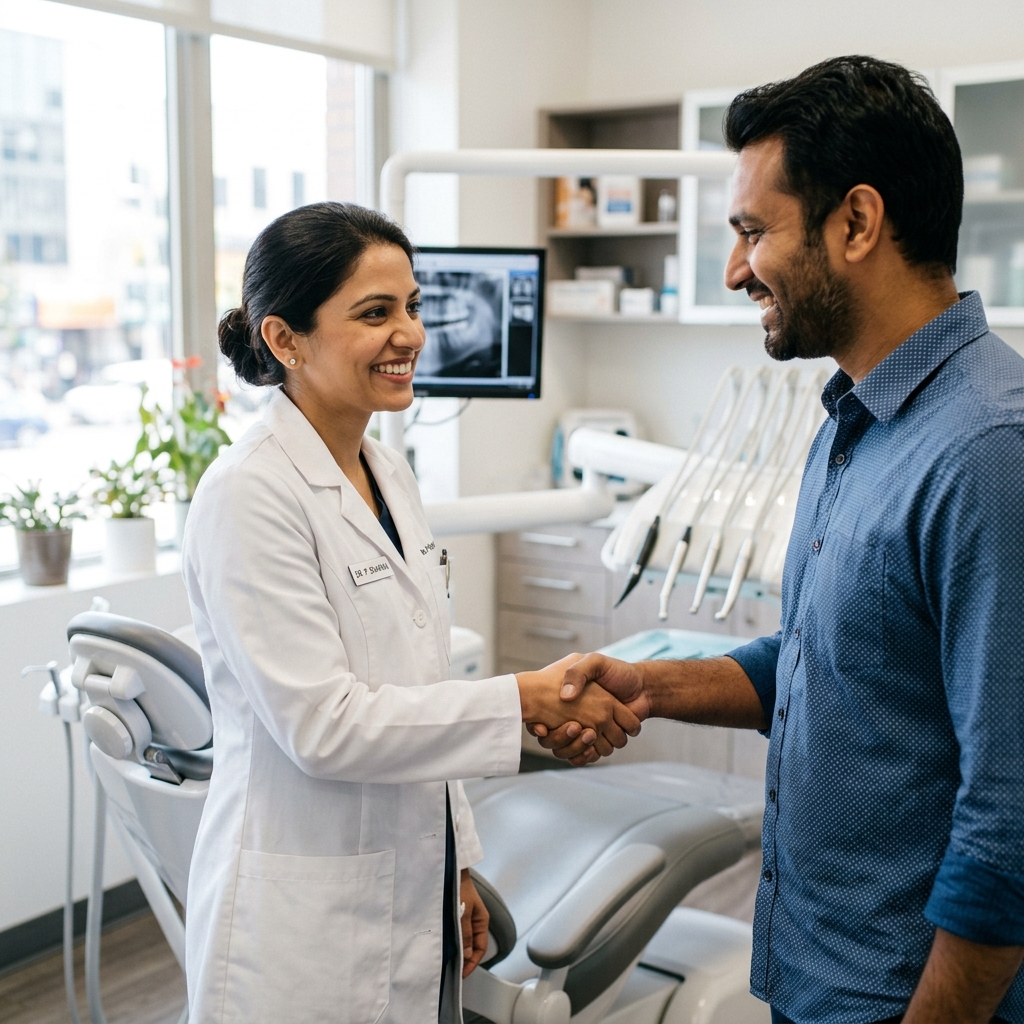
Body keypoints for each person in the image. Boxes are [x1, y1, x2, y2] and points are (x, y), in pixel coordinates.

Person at [534, 57, 1024, 1024]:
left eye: (754, 232)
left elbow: (1009, 823)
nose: (733, 269)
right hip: (813, 974)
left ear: (856, 223)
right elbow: (827, 661)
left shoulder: (987, 454)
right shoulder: (855, 421)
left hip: (899, 998)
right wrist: (653, 687)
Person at [180, 202, 641, 1024]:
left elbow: (418, 687)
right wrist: (522, 699)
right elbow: (323, 726)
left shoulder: (388, 473)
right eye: (374, 313)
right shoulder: (249, 494)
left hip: (409, 885)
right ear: (284, 339)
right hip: (298, 923)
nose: (412, 335)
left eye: (413, 306)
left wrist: (456, 864)